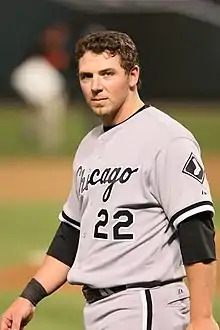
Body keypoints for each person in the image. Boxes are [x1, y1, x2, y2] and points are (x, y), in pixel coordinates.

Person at [0, 31, 218, 330]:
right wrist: (28, 298)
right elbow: (71, 234)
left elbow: (196, 228)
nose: (95, 86)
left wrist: (202, 316)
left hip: (146, 306)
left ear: (132, 75)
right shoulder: (90, 145)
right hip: (102, 310)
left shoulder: (167, 139)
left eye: (107, 74)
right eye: (86, 76)